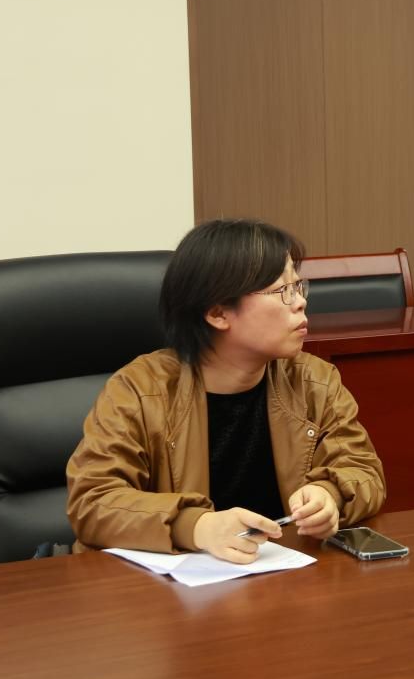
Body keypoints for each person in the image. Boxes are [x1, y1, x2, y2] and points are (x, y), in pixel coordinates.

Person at [67, 219, 386, 562]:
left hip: (280, 575)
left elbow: (364, 470)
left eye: (299, 287)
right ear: (218, 313)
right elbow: (93, 501)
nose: (300, 303)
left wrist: (329, 494)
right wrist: (196, 526)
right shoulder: (139, 391)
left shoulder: (313, 381)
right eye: (282, 291)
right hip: (169, 586)